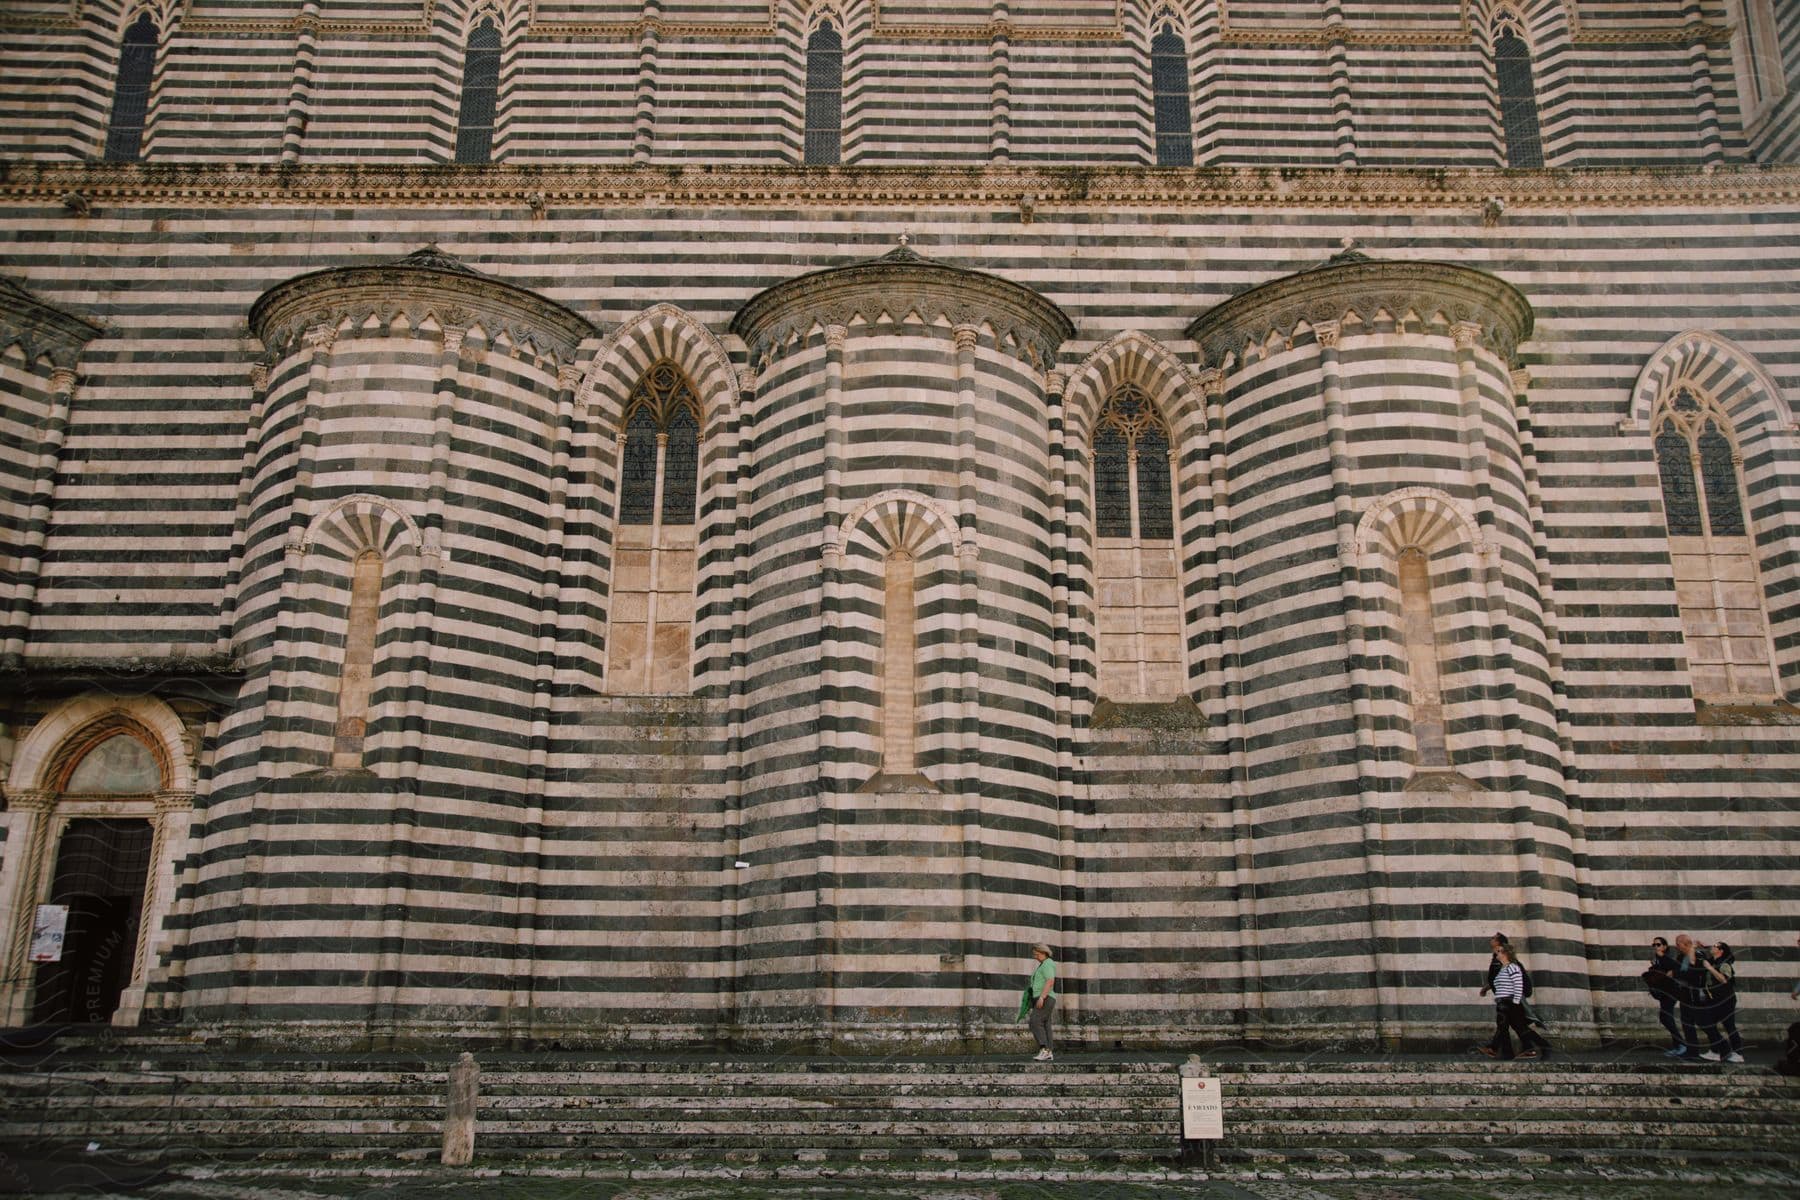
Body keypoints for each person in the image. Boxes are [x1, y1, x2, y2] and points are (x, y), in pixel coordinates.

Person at [1480, 944, 1550, 1060]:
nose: (1496, 953)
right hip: (1504, 1002)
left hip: (1509, 1003)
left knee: (1507, 1027)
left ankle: (1506, 1052)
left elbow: (1518, 984)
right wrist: (1486, 989)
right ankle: (1538, 1048)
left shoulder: (1513, 967)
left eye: (1499, 951)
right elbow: (1500, 984)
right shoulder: (1503, 968)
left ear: (1506, 954)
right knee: (1517, 1028)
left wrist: (1515, 1002)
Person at [1691, 941, 1745, 1063]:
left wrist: (1709, 968)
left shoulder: (1725, 964)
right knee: (1707, 1023)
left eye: (1715, 946)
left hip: (1726, 1000)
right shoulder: (1712, 961)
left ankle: (1738, 1053)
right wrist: (1696, 947)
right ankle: (1716, 1051)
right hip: (1714, 1000)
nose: (1712, 947)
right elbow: (1695, 961)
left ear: (1721, 951)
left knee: (1729, 1025)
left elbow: (1724, 979)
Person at [1645, 936, 1685, 1056]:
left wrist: (1671, 973)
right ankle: (1678, 1045)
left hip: (1671, 992)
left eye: (1658, 944)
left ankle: (1681, 1045)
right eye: (1654, 945)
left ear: (1664, 946)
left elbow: (1678, 968)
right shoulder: (1657, 959)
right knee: (1665, 1018)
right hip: (1664, 992)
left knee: (1666, 1017)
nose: (1656, 947)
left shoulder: (1665, 958)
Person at [1018, 943, 1057, 1062]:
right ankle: (1048, 1052)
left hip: (1045, 998)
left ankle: (1044, 1049)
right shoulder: (1043, 964)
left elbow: (1050, 981)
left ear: (1043, 952)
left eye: (1037, 953)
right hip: (1043, 998)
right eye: (1034, 954)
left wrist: (1042, 997)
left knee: (1035, 1021)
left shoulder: (1047, 964)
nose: (1035, 956)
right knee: (1045, 1024)